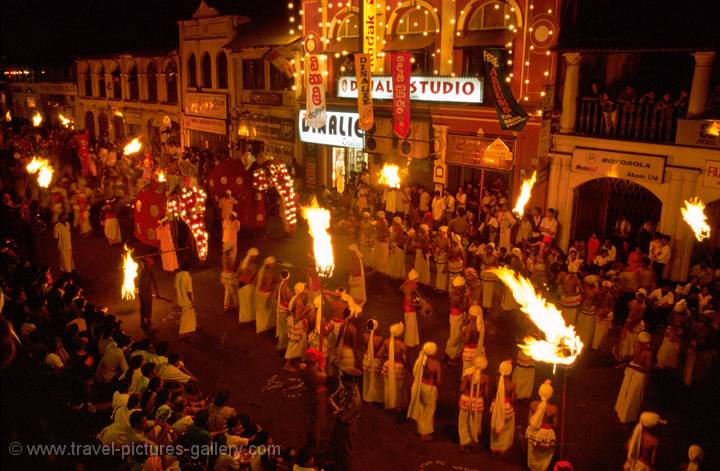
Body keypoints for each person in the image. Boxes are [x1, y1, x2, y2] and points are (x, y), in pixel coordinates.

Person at [328, 367, 362, 471]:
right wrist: (338, 410)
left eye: (343, 379)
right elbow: (331, 399)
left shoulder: (354, 400)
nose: (341, 381)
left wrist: (336, 410)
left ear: (351, 382)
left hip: (346, 427)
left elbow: (342, 417)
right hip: (340, 423)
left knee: (345, 451)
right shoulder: (345, 388)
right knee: (335, 444)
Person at [615, 331, 653, 423]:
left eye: (646, 344)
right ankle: (621, 411)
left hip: (639, 376)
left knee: (633, 396)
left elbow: (647, 370)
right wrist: (622, 359)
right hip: (632, 371)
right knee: (626, 391)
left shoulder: (649, 353)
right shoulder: (637, 346)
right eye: (643, 343)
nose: (645, 345)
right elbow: (633, 357)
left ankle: (629, 417)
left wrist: (629, 365)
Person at [407, 342, 441, 441]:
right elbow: (438, 381)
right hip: (429, 389)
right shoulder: (436, 364)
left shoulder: (421, 360)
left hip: (420, 386)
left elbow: (415, 373)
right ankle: (425, 434)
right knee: (429, 411)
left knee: (421, 408)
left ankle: (420, 429)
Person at [458, 355, 489, 452]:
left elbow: (462, 389)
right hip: (478, 401)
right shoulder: (486, 378)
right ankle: (472, 440)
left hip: (466, 400)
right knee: (475, 421)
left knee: (463, 421)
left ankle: (463, 442)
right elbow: (486, 394)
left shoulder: (468, 376)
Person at [526, 380, 558, 471]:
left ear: (539, 392)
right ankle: (542, 468)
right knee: (545, 454)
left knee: (533, 452)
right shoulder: (554, 409)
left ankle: (532, 467)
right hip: (546, 434)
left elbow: (529, 421)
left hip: (534, 433)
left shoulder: (533, 404)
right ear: (551, 395)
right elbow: (555, 425)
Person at [300, 347, 327, 449]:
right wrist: (322, 365)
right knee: (317, 420)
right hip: (317, 396)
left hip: (309, 394)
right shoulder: (317, 374)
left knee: (312, 419)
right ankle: (315, 443)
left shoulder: (304, 370)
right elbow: (324, 378)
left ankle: (312, 439)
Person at [379, 322, 407, 413]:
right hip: (398, 368)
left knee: (388, 387)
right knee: (399, 389)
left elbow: (380, 354)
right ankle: (397, 407)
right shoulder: (402, 345)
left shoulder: (387, 342)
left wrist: (388, 358)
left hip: (388, 366)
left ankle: (388, 405)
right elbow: (405, 360)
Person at [490, 360, 516, 455]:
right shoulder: (512, 385)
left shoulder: (497, 382)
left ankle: (494, 447)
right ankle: (502, 448)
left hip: (496, 405)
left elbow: (494, 393)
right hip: (506, 407)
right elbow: (513, 400)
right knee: (506, 428)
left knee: (495, 425)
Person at [285, 283, 312, 371]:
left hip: (293, 322)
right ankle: (287, 365)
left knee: (299, 343)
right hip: (296, 324)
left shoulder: (295, 298)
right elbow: (297, 318)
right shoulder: (299, 302)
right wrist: (307, 309)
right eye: (305, 289)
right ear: (301, 291)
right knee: (293, 344)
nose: (307, 290)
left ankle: (296, 361)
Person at [655, 302, 686, 369]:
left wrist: (676, 332)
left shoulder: (685, 319)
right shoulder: (672, 315)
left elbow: (682, 330)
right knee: (663, 353)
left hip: (675, 340)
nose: (676, 317)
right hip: (669, 336)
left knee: (671, 355)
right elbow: (670, 321)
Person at [445, 276, 467, 364]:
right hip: (457, 317)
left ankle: (454, 354)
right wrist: (466, 300)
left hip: (456, 316)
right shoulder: (456, 295)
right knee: (455, 336)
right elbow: (462, 307)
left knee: (457, 336)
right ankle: (451, 357)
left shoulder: (456, 292)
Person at [362, 319, 384, 404]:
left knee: (367, 379)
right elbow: (379, 352)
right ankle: (376, 398)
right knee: (376, 380)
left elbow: (365, 347)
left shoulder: (365, 336)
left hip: (367, 360)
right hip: (375, 361)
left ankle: (367, 398)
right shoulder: (380, 338)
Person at [175, 260, 197, 338]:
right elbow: (189, 291)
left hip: (181, 298)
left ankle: (192, 327)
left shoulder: (178, 275)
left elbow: (175, 287)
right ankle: (182, 333)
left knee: (190, 314)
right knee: (186, 316)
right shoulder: (187, 277)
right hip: (187, 300)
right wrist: (192, 302)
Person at [237, 248, 259, 324]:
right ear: (252, 256)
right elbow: (254, 276)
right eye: (255, 256)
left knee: (243, 303)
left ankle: (244, 318)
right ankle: (247, 318)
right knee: (249, 303)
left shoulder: (243, 262)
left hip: (241, 284)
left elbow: (238, 272)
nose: (256, 258)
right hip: (248, 285)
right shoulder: (252, 265)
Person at [400, 270, 421, 348]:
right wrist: (418, 304)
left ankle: (413, 341)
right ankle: (409, 343)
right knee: (410, 326)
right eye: (416, 279)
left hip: (409, 307)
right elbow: (409, 303)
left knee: (412, 326)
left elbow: (400, 288)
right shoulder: (408, 288)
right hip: (409, 309)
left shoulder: (408, 284)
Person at [255, 257, 276, 334]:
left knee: (260, 311)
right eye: (272, 263)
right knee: (266, 312)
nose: (274, 264)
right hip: (265, 294)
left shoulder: (261, 270)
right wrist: (273, 288)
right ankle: (263, 328)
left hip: (259, 293)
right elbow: (268, 286)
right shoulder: (269, 273)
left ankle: (259, 328)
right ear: (269, 265)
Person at [138, 257, 159, 334]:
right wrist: (157, 293)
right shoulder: (150, 270)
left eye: (143, 262)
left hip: (141, 292)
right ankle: (149, 327)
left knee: (143, 308)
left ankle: (142, 323)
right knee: (148, 309)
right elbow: (155, 282)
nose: (142, 264)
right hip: (146, 293)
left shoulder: (142, 271)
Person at [461, 305, 485, 372]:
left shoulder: (470, 326)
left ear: (470, 315)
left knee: (467, 370)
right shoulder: (482, 324)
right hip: (479, 350)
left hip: (470, 352)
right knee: (476, 370)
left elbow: (466, 341)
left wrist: (462, 334)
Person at [275, 270, 292, 351]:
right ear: (288, 277)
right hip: (284, 309)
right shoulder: (286, 287)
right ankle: (282, 345)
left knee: (281, 326)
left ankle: (281, 342)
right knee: (284, 328)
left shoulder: (278, 285)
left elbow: (276, 295)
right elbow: (288, 299)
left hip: (279, 306)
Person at [220, 248, 239, 312]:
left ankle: (226, 305)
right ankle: (236, 304)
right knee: (234, 292)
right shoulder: (229, 259)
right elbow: (232, 268)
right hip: (230, 277)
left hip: (226, 277)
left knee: (227, 292)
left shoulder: (224, 258)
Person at [434, 226, 450, 292]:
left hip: (444, 258)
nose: (439, 232)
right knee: (438, 272)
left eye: (440, 231)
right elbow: (435, 245)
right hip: (438, 257)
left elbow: (449, 250)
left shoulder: (447, 240)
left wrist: (443, 250)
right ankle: (438, 286)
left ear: (443, 232)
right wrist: (436, 250)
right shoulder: (438, 238)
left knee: (443, 273)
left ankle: (442, 288)